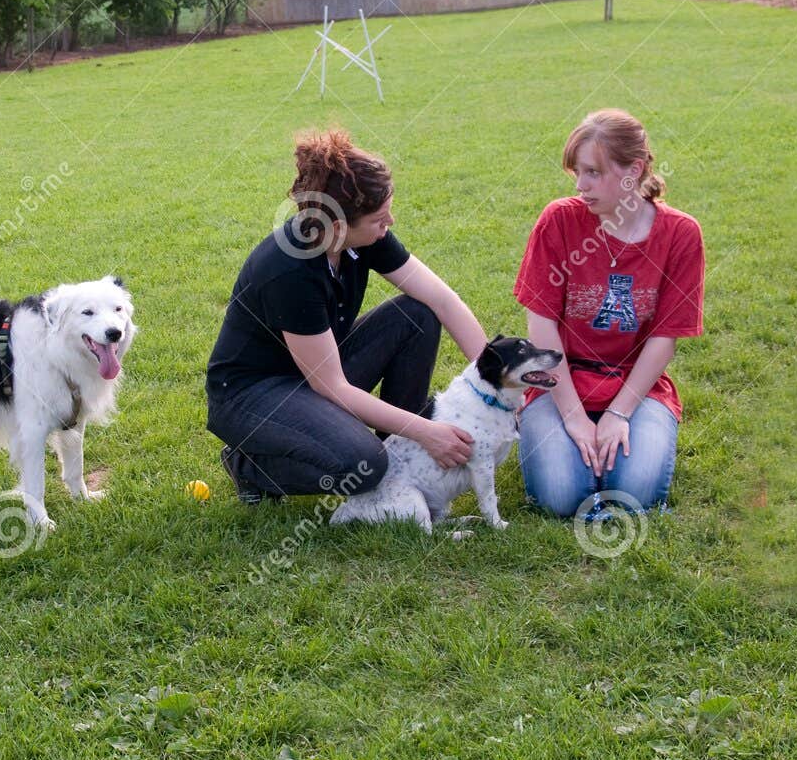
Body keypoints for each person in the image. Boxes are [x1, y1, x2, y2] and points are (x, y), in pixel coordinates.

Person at [206, 129, 488, 503]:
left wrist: (495, 381)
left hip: (314, 371)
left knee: (418, 315)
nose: (390, 223)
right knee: (364, 464)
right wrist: (426, 430)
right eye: (380, 219)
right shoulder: (290, 270)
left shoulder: (362, 236)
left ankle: (400, 455)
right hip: (252, 394)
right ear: (338, 226)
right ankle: (247, 465)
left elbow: (443, 300)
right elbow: (332, 386)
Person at [513, 109, 706, 517]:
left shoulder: (680, 234)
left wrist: (619, 413)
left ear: (633, 171)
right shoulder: (559, 221)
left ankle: (611, 453)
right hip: (561, 381)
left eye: (593, 172)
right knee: (561, 496)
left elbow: (664, 338)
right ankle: (565, 446)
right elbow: (541, 326)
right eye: (577, 172)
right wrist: (574, 417)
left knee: (634, 493)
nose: (580, 185)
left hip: (637, 386)